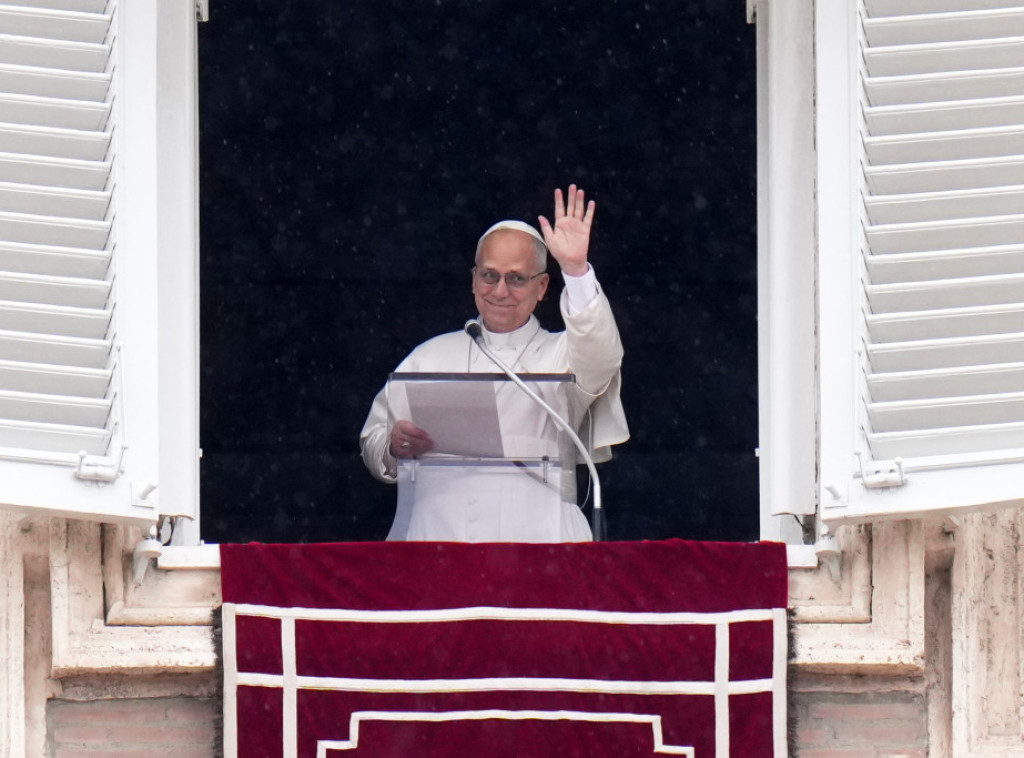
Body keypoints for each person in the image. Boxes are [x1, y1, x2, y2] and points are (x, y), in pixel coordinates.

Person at [360, 185, 628, 542]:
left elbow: (602, 356)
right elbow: (374, 442)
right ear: (473, 280)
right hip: (436, 542)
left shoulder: (562, 354)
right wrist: (394, 446)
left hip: (540, 545)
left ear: (543, 286)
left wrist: (577, 270)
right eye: (489, 275)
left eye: (516, 278)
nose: (500, 291)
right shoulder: (429, 356)